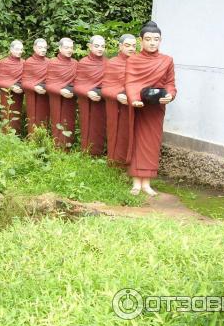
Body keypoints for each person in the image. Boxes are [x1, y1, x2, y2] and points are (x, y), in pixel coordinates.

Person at [125, 21, 176, 196]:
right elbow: (130, 82)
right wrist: (134, 99)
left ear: (160, 40)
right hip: (138, 107)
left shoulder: (167, 61)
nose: (152, 42)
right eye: (148, 39)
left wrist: (170, 95)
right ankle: (135, 182)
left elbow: (170, 84)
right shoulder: (133, 60)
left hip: (156, 109)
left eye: (156, 39)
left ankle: (146, 183)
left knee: (151, 144)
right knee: (137, 142)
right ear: (141, 40)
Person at [101, 34, 137, 165]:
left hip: (134, 106)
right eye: (127, 45)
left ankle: (132, 164)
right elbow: (105, 88)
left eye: (134, 46)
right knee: (117, 135)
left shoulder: (139, 62)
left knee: (133, 134)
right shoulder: (112, 63)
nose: (131, 48)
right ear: (120, 46)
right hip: (117, 106)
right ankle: (115, 163)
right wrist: (117, 95)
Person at [74, 35, 108, 155]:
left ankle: (99, 152)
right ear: (90, 46)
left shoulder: (107, 63)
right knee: (88, 127)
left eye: (103, 46)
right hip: (87, 101)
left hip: (103, 100)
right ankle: (87, 153)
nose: (100, 49)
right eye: (97, 46)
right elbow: (77, 85)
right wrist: (88, 92)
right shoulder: (83, 63)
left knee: (101, 127)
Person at [46, 38, 78, 149]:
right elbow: (49, 83)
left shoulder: (75, 63)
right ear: (59, 48)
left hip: (70, 97)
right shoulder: (53, 63)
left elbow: (77, 81)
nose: (69, 50)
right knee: (57, 121)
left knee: (69, 121)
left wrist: (73, 90)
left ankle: (68, 146)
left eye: (71, 48)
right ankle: (57, 147)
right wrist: (60, 90)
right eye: (66, 47)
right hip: (56, 97)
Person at [21, 38, 49, 134]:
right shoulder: (29, 62)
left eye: (45, 47)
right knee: (33, 118)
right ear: (34, 48)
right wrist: (34, 87)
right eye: (40, 47)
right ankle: (32, 140)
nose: (43, 50)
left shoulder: (49, 62)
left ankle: (43, 138)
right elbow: (24, 82)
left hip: (45, 94)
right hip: (32, 95)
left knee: (44, 117)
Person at [0, 40, 24, 133]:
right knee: (7, 114)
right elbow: (0, 81)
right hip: (7, 92)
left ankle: (16, 136)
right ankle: (5, 135)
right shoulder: (4, 62)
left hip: (19, 92)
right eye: (17, 49)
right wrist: (11, 87)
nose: (19, 51)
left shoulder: (24, 63)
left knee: (17, 115)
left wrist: (22, 87)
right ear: (11, 50)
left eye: (21, 49)